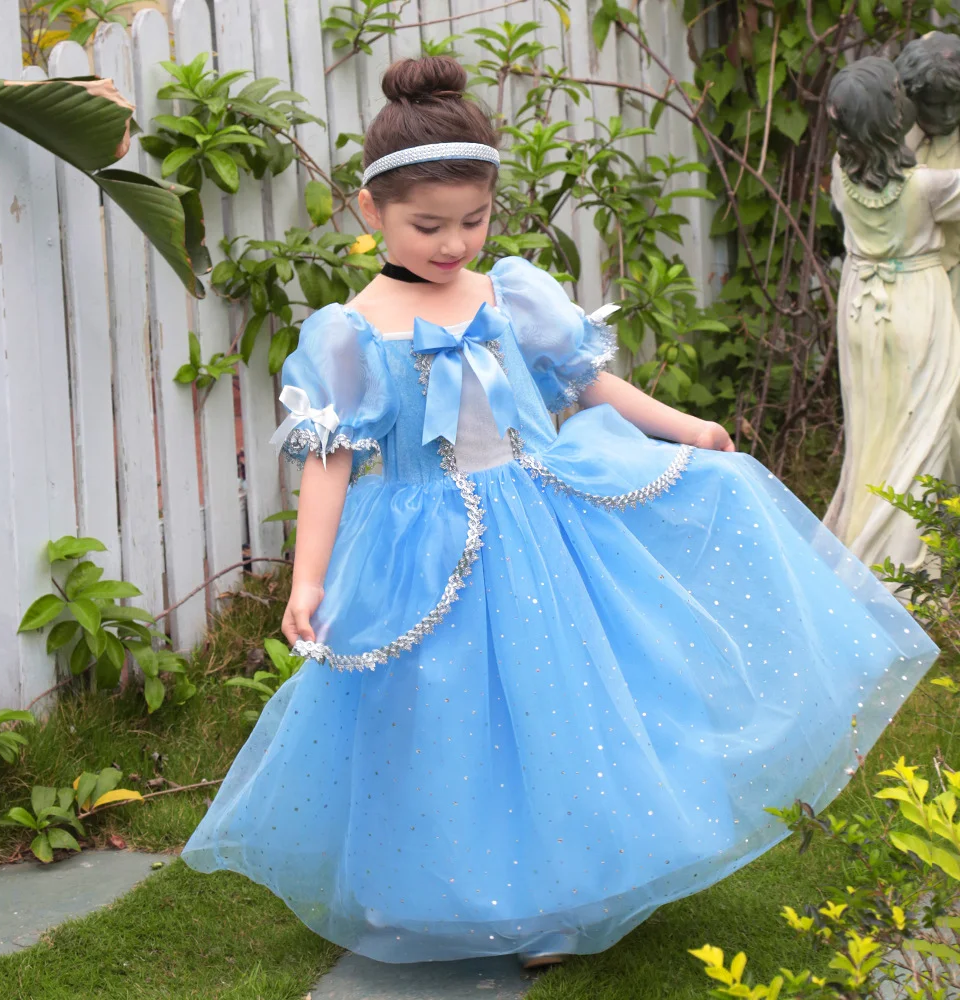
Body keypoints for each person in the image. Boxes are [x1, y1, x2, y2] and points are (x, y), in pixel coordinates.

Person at [182, 56, 938, 969]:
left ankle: (560, 891)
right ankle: (426, 884)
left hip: (537, 522)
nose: (455, 242)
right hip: (416, 539)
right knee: (430, 714)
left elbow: (587, 385)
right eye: (429, 226)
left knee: (558, 704)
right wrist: (307, 581)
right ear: (370, 210)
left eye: (474, 219)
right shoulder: (350, 330)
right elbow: (331, 462)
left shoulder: (507, 292)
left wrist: (683, 425)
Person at [823, 56, 960, 574]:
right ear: (891, 116)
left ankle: (859, 538)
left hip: (860, 308)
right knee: (921, 436)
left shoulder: (840, 172)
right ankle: (902, 575)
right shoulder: (928, 186)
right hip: (917, 309)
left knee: (871, 434)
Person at [897, 32, 960, 318]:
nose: (949, 114)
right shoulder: (886, 132)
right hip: (903, 289)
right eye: (936, 104)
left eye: (956, 101)